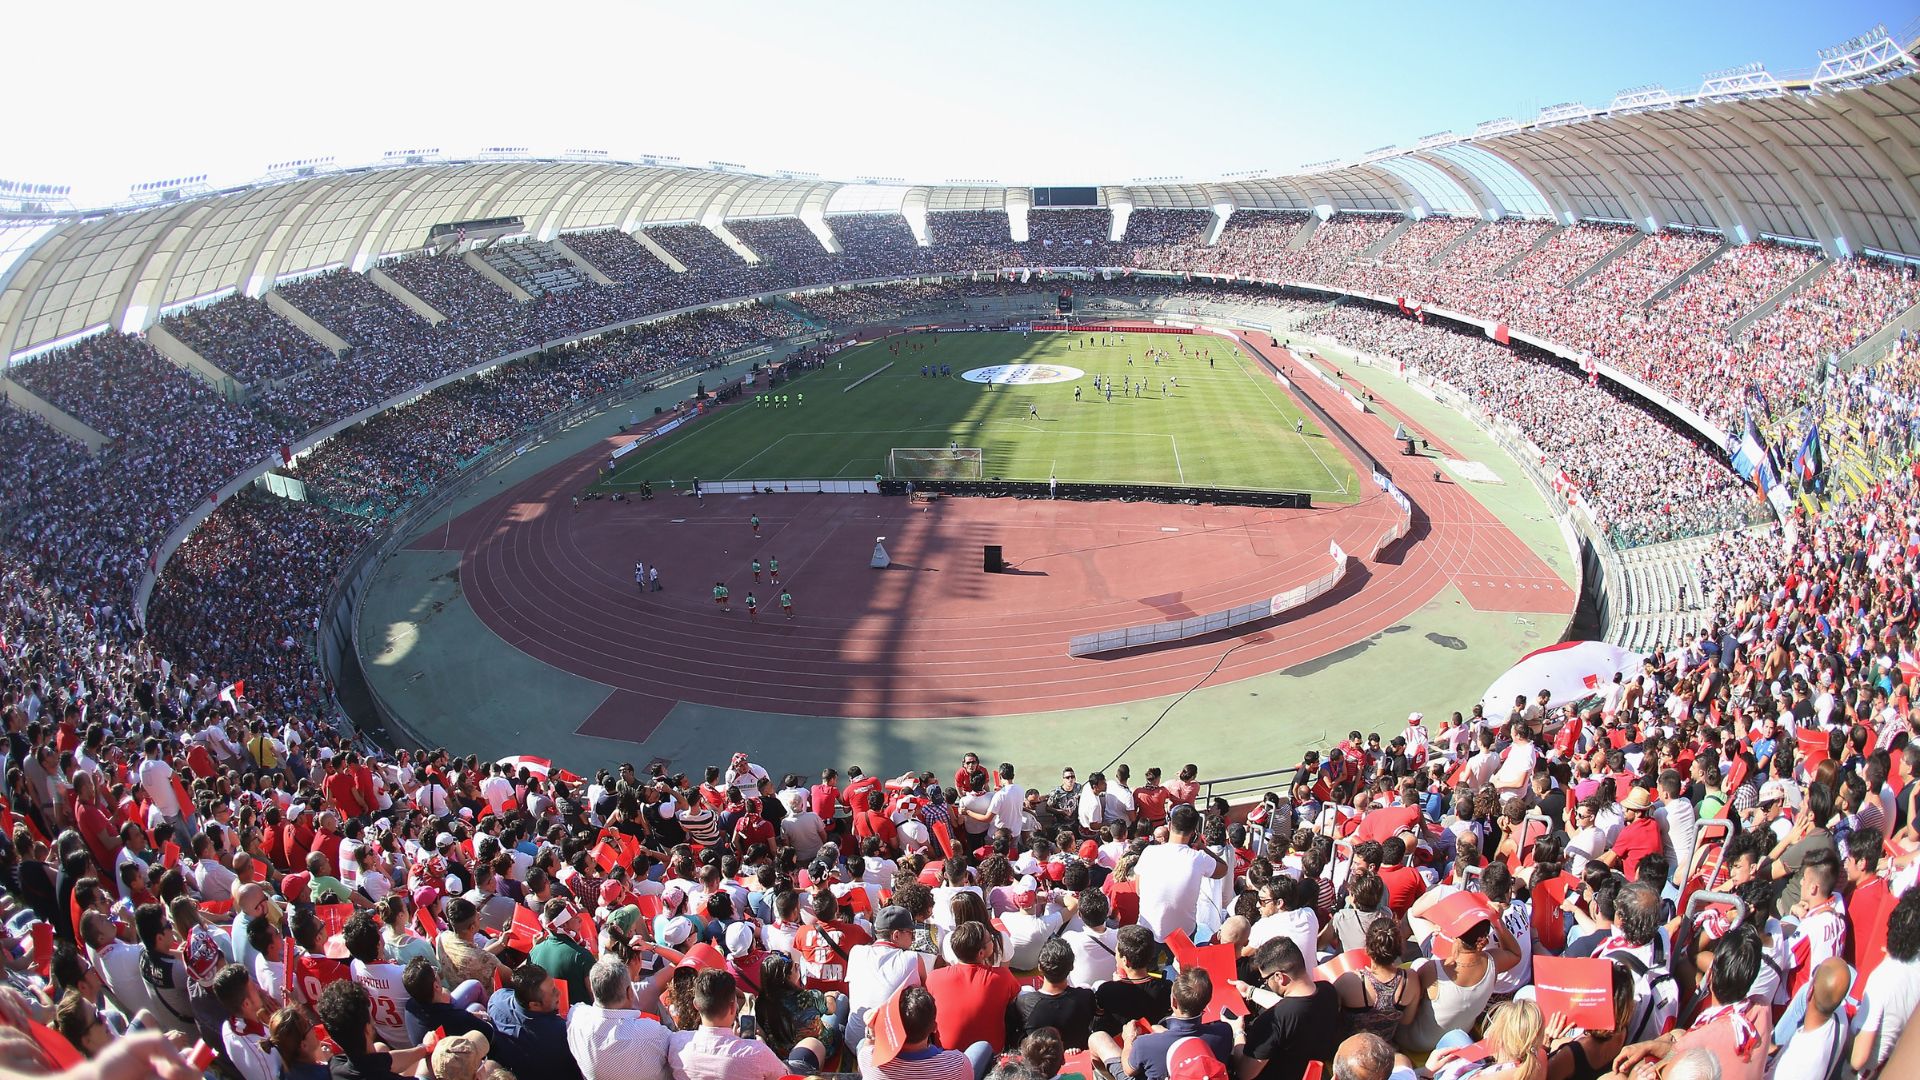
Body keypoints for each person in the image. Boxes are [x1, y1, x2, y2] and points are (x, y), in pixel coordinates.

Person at [1229, 937, 1340, 1080]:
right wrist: (1250, 991)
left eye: (1266, 979)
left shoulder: (1272, 1021)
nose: (1266, 983)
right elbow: (1294, 1004)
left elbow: (1244, 1073)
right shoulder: (1329, 991)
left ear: (1279, 977)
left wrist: (1237, 1032)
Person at [667, 968, 786, 1080]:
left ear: (696, 1005)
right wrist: (761, 1043)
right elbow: (785, 1075)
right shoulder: (756, 1052)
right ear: (733, 1007)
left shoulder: (676, 1043)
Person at [856, 985, 994, 1080]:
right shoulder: (958, 1063)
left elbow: (862, 1069)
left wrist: (871, 1032)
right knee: (983, 1046)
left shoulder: (868, 1057)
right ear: (934, 1027)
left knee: (862, 1043)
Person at [925, 922, 1020, 1055]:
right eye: (990, 939)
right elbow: (1016, 1000)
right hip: (990, 1055)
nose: (993, 940)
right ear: (981, 953)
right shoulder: (1002, 977)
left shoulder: (934, 978)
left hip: (946, 1055)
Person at [1135, 806, 1228, 941]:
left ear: (1170, 825)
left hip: (1148, 934)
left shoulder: (1148, 852)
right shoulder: (1198, 858)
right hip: (1183, 936)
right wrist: (1202, 847)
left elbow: (1139, 890)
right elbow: (1223, 869)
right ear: (1194, 832)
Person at [1013, 938, 1095, 1050]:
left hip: (1040, 1056)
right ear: (1071, 967)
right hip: (1077, 1053)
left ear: (1040, 968)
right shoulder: (1085, 996)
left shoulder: (1025, 1003)